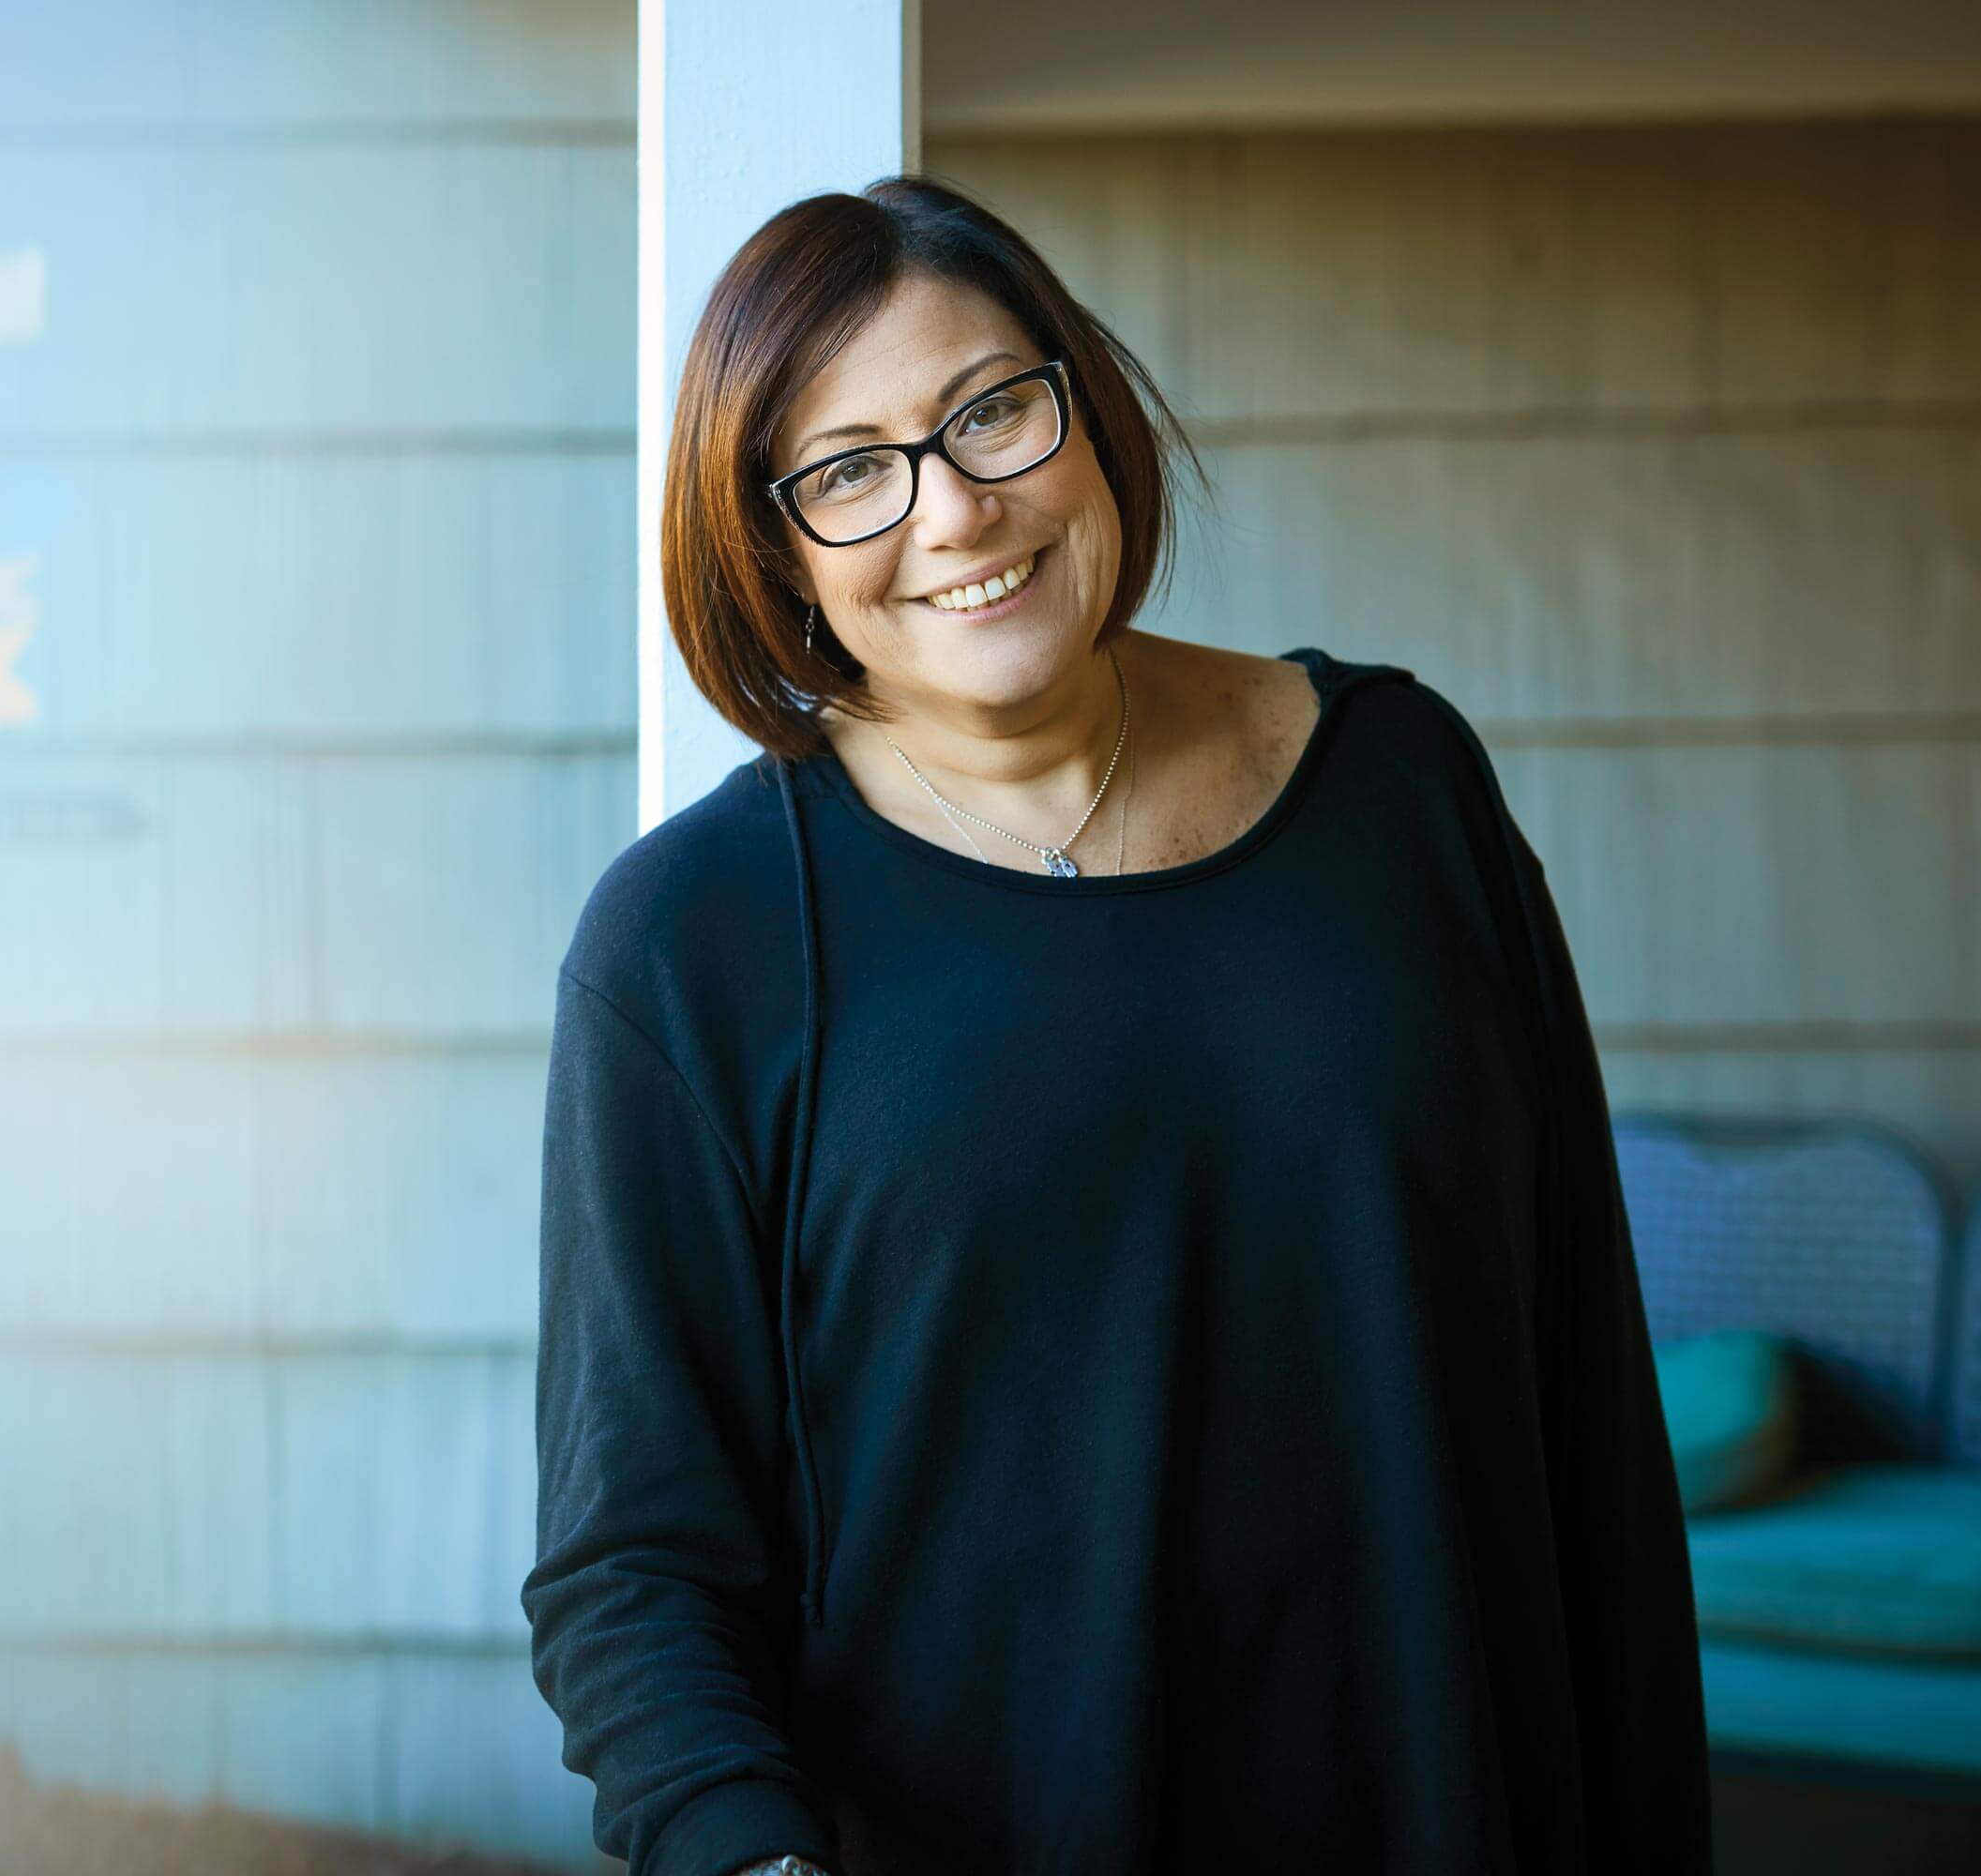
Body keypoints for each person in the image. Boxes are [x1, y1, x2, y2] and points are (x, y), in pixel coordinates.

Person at [519, 174, 1711, 1875]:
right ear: (772, 544)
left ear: (1087, 408)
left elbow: (1586, 1397)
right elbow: (631, 1565)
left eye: (992, 411)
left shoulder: (1404, 793)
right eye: (850, 470)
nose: (953, 513)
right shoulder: (691, 949)